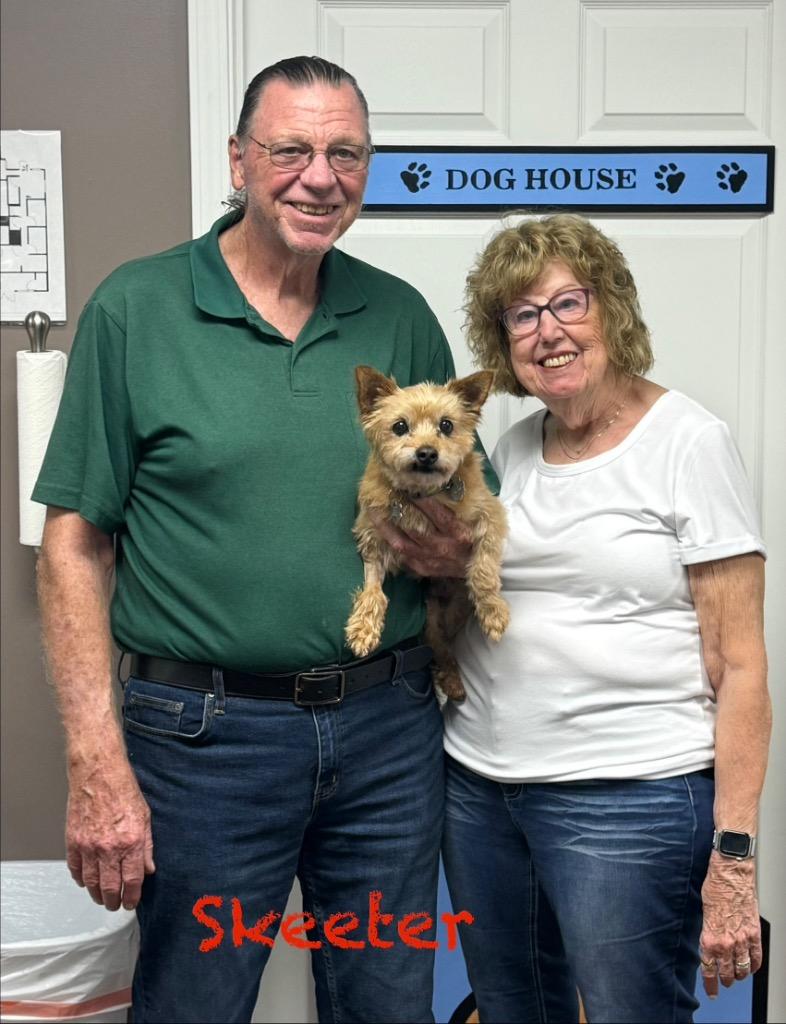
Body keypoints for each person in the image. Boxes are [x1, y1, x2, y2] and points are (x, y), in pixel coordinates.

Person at [33, 56, 470, 1024]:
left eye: (346, 153)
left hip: (388, 742)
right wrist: (96, 761)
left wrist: (453, 557)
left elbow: (461, 514)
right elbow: (75, 543)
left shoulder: (397, 315)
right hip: (204, 747)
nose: (321, 176)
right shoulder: (137, 309)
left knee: (388, 1003)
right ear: (239, 160)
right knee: (196, 1002)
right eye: (292, 150)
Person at [438, 214, 771, 1024]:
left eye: (567, 303)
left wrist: (734, 859)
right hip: (481, 794)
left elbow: (742, 665)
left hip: (630, 801)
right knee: (512, 1011)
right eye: (522, 315)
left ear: (611, 309)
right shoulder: (509, 451)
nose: (548, 332)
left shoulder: (688, 442)